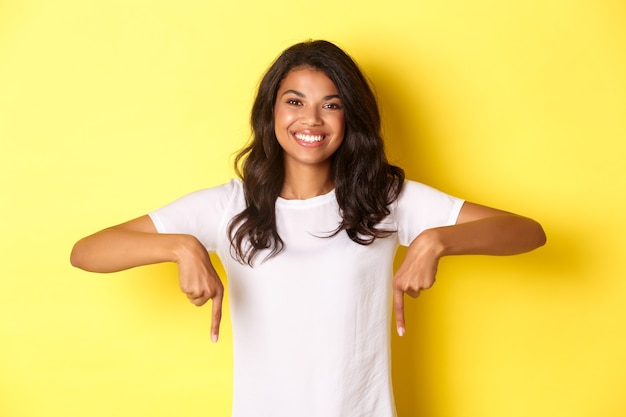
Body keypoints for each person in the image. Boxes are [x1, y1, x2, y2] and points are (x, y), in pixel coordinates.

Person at [70, 40, 546, 417]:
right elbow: (87, 251)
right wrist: (181, 247)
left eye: (331, 104)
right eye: (294, 101)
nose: (310, 119)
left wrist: (437, 239)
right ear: (271, 112)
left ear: (349, 117)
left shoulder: (383, 199)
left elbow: (527, 232)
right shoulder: (228, 206)